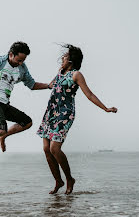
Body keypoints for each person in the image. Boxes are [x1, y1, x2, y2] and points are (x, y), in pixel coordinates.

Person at [37, 44, 118, 195]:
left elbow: (90, 94)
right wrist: (27, 82)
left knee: (55, 148)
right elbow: (50, 86)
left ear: (71, 61)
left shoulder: (76, 75)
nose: (62, 58)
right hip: (51, 112)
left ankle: (69, 179)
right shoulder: (60, 72)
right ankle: (58, 181)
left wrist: (106, 108)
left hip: (65, 114)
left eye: (65, 56)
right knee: (46, 150)